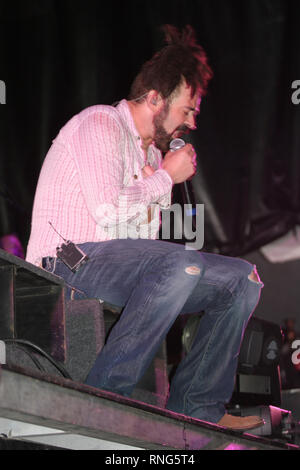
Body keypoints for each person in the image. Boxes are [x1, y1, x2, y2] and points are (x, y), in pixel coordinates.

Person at [26, 25, 265, 431]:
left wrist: (157, 182)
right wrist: (164, 180)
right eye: (186, 110)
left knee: (242, 280)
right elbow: (106, 211)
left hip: (112, 264)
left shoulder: (152, 153)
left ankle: (198, 407)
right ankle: (106, 397)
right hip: (66, 261)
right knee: (178, 264)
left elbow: (142, 244)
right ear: (155, 98)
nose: (190, 123)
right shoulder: (100, 123)